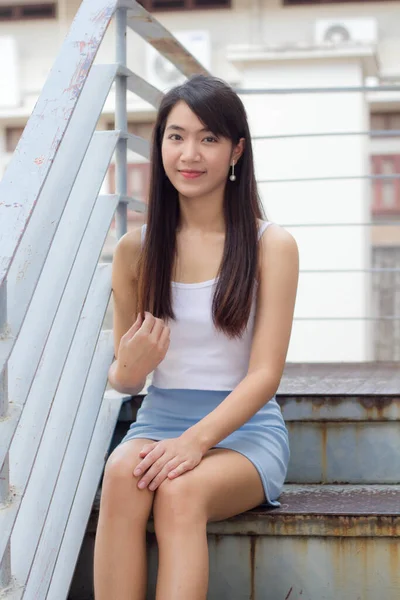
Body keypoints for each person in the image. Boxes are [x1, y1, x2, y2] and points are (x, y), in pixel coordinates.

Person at [94, 74, 299, 600]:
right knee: (120, 478)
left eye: (209, 138)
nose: (190, 153)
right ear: (159, 142)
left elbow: (264, 375)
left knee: (180, 492)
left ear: (236, 151)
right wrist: (132, 365)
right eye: (176, 135)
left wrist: (194, 443)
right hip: (158, 419)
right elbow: (123, 377)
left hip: (243, 431)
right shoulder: (134, 251)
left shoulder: (271, 245)